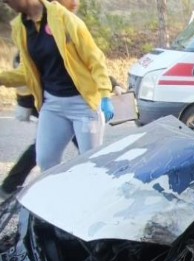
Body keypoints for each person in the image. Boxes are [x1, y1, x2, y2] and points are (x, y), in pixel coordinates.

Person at [0, 0, 122, 200]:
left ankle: (96, 203)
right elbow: (27, 72)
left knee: (90, 163)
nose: (8, 4)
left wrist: (104, 94)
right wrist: (4, 79)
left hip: (83, 104)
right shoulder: (21, 27)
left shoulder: (64, 19)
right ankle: (57, 204)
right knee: (45, 159)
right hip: (53, 105)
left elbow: (94, 59)